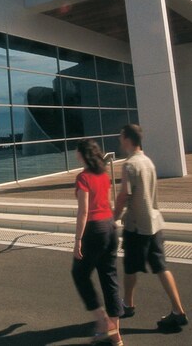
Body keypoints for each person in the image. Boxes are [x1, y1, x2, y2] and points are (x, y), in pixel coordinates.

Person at [113, 124, 188, 330]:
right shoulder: (148, 162)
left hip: (136, 225)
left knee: (130, 266)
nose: (120, 140)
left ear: (128, 139)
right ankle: (177, 309)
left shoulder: (129, 165)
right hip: (154, 222)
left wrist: (114, 217)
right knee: (161, 267)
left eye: (121, 136)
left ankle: (127, 305)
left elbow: (124, 195)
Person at [71, 139, 124, 346]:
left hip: (94, 230)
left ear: (83, 155)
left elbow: (83, 211)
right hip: (109, 227)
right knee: (109, 277)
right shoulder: (103, 175)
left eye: (77, 151)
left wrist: (77, 241)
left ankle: (103, 322)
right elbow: (108, 202)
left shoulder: (83, 177)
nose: (76, 154)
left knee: (79, 273)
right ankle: (115, 334)